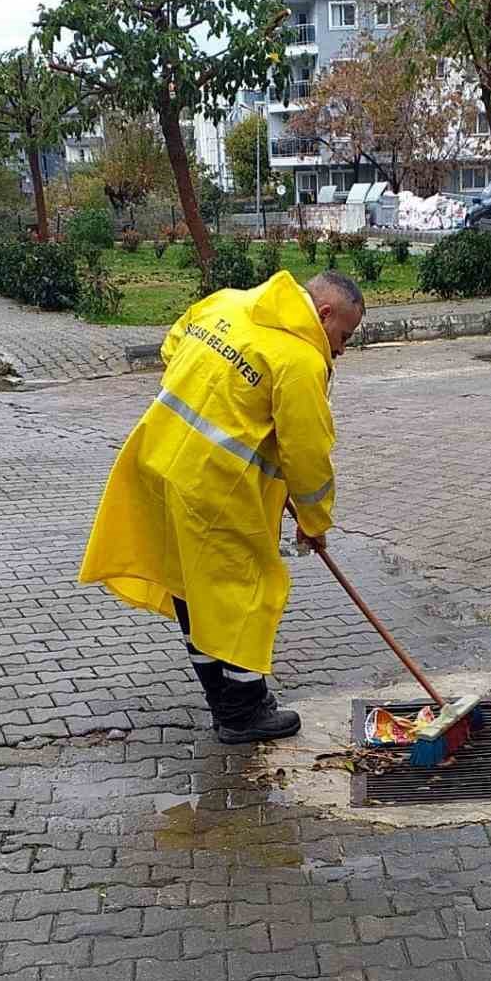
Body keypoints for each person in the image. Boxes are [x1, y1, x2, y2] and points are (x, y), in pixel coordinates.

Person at [79, 267, 365, 744]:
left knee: (192, 590)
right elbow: (307, 453)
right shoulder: (299, 360)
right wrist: (314, 520)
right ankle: (243, 712)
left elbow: (173, 346)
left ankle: (226, 702)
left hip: (157, 462)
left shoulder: (227, 303)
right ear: (324, 313)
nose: (341, 349)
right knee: (243, 595)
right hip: (215, 491)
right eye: (343, 335)